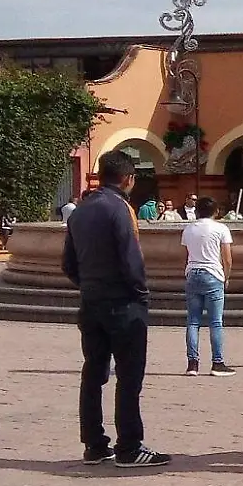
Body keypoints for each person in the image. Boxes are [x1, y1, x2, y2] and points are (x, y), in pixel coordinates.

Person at [62, 150, 167, 468]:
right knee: (129, 376)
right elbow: (131, 259)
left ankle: (94, 444)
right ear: (128, 178)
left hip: (91, 301)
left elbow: (68, 262)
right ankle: (129, 446)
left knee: (93, 374)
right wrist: (141, 293)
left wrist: (89, 285)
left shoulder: (80, 211)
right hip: (123, 304)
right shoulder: (121, 210)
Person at [180, 196, 235, 377]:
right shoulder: (221, 228)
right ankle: (217, 363)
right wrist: (226, 277)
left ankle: (192, 364)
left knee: (193, 321)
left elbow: (185, 255)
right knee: (215, 321)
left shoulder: (189, 229)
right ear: (216, 211)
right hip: (213, 274)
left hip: (193, 272)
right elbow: (227, 258)